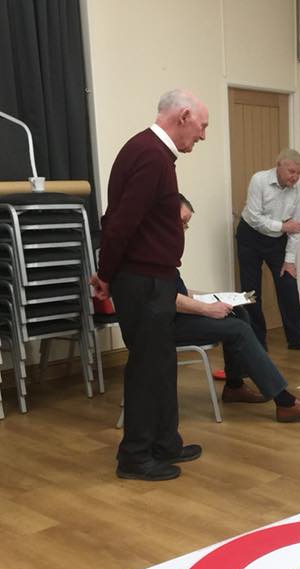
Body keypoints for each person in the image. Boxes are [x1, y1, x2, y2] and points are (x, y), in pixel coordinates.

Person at [90, 89, 209, 482]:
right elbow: (120, 222)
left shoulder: (153, 154)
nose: (203, 135)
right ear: (184, 116)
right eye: (202, 126)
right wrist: (106, 274)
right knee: (145, 368)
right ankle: (135, 457)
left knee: (161, 364)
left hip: (153, 278)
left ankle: (165, 443)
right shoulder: (149, 155)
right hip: (142, 281)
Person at [174, 195, 300, 422]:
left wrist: (216, 297)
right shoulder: (152, 252)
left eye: (187, 224)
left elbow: (177, 291)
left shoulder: (165, 249)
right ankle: (284, 402)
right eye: (182, 222)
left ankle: (234, 386)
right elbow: (165, 298)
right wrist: (207, 309)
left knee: (239, 312)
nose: (184, 229)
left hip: (175, 316)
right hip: (164, 325)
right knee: (238, 329)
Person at [236, 148, 300, 353]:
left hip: (277, 241)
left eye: (298, 173)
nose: (295, 177)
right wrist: (283, 226)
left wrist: (289, 260)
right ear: (279, 166)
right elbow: (255, 218)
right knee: (251, 291)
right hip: (250, 237)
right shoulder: (259, 180)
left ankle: (296, 338)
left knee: (288, 285)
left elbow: (296, 227)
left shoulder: (299, 189)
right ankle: (257, 341)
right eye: (291, 172)